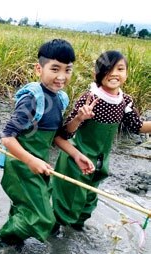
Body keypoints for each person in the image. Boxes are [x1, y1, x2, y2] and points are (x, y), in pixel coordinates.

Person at [0, 39, 94, 248]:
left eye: (68, 70)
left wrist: (76, 153)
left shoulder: (60, 98)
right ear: (39, 69)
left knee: (25, 208)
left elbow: (57, 136)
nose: (61, 76)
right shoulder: (32, 99)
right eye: (55, 69)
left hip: (38, 164)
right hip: (20, 165)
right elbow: (7, 137)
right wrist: (31, 161)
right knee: (43, 217)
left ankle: (12, 246)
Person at [52, 50, 151, 231]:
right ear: (96, 73)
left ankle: (75, 232)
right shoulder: (90, 98)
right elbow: (64, 133)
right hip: (78, 158)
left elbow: (137, 126)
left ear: (127, 73)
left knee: (89, 200)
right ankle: (53, 233)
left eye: (120, 69)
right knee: (68, 200)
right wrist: (80, 118)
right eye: (108, 69)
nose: (114, 74)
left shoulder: (124, 101)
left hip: (100, 161)